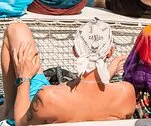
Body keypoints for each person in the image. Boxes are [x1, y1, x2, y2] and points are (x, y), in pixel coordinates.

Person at [0, 19, 135, 126]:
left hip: (34, 109)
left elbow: (21, 122)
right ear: (110, 52)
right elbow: (90, 105)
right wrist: (109, 71)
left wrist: (24, 78)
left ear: (75, 51)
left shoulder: (48, 96)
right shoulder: (126, 93)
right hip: (64, 109)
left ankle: (8, 110)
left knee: (16, 29)